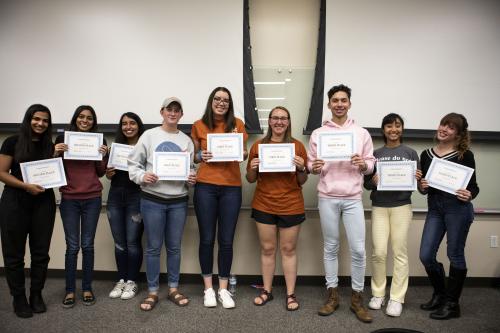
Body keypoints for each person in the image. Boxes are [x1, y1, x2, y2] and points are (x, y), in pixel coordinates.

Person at [308, 84, 375, 323]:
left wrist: (363, 164)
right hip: (327, 197)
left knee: (358, 249)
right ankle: (332, 295)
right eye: (335, 100)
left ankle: (357, 298)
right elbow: (310, 164)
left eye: (343, 100)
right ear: (328, 104)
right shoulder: (318, 133)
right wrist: (313, 167)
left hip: (353, 198)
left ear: (349, 103)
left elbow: (371, 164)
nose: (339, 104)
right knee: (331, 247)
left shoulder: (361, 133)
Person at [128, 97, 195, 311]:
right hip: (152, 200)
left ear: (181, 115)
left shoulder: (186, 140)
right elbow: (133, 164)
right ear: (162, 112)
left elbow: (190, 168)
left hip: (178, 201)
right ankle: (153, 292)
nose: (173, 113)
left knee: (174, 247)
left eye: (177, 110)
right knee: (154, 248)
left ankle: (173, 289)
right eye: (169, 109)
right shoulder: (149, 135)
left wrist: (191, 177)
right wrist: (142, 176)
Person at [191, 87, 248, 309]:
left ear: (229, 103)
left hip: (231, 187)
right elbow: (193, 156)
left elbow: (243, 153)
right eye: (217, 99)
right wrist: (199, 155)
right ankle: (208, 289)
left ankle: (223, 289)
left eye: (226, 100)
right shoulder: (198, 124)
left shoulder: (238, 124)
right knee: (206, 239)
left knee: (226, 240)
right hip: (205, 186)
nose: (221, 103)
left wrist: (241, 151)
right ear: (211, 101)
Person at [246, 106, 308, 311]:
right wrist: (253, 168)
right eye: (275, 118)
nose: (279, 122)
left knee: (288, 250)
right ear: (269, 121)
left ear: (288, 122)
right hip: (264, 204)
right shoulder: (258, 146)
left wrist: (301, 168)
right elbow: (250, 179)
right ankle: (267, 291)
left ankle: (291, 294)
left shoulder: (297, 146)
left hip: (291, 205)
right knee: (268, 249)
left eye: (283, 118)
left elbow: (303, 180)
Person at [418, 113, 479, 320]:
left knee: (455, 254)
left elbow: (473, 187)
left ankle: (452, 305)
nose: (444, 129)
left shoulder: (465, 155)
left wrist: (469, 194)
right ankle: (440, 293)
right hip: (435, 208)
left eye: (451, 127)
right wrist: (422, 186)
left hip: (457, 209)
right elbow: (424, 188)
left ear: (459, 134)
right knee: (426, 255)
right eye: (443, 124)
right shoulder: (426, 155)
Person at [0, 105, 56, 318]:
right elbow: (1, 172)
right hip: (15, 201)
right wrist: (25, 186)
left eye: (45, 121)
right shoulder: (12, 142)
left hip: (43, 202)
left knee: (41, 252)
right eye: (36, 119)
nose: (40, 124)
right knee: (14, 254)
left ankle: (36, 294)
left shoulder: (49, 144)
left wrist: (57, 155)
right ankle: (19, 297)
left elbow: (53, 172)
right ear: (28, 119)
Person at [363, 113, 421, 317]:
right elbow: (367, 184)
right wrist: (374, 181)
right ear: (383, 130)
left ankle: (396, 298)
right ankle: (378, 294)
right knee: (378, 252)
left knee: (399, 253)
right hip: (379, 206)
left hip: (402, 207)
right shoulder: (375, 153)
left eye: (397, 126)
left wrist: (417, 178)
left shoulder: (411, 153)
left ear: (402, 129)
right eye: (389, 126)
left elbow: (420, 187)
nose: (393, 130)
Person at [54, 105, 108, 308]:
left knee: (88, 245)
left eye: (90, 118)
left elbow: (101, 172)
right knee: (72, 247)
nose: (85, 121)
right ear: (75, 118)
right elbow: (53, 168)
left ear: (94, 122)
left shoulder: (99, 140)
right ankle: (69, 290)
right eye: (81, 117)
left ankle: (87, 288)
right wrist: (55, 152)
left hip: (93, 198)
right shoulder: (62, 140)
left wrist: (104, 155)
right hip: (69, 199)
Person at [106, 112, 145, 300]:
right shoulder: (115, 148)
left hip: (136, 197)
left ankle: (132, 281)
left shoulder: (145, 145)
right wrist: (108, 173)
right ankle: (121, 279)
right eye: (124, 124)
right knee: (120, 243)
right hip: (115, 195)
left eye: (132, 123)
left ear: (139, 125)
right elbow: (107, 174)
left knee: (132, 242)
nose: (128, 127)